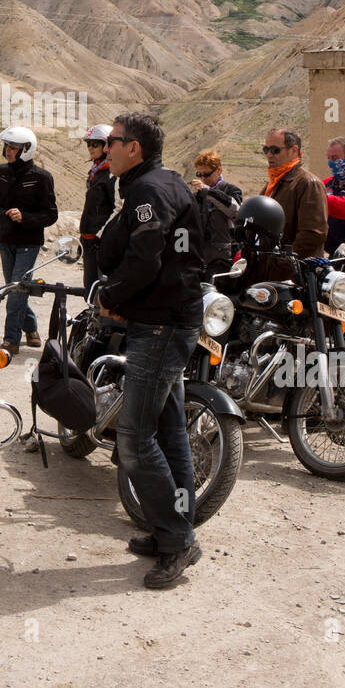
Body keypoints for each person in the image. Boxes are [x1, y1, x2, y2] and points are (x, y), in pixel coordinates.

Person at [96, 113, 205, 590]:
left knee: (136, 441)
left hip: (160, 327)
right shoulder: (166, 183)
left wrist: (110, 295)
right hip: (169, 320)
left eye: (113, 142)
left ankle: (177, 540)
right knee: (170, 432)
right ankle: (174, 531)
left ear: (134, 148)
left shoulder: (148, 191)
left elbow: (145, 258)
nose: (107, 148)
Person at [0, 126, 58, 354]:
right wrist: (1, 215)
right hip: (5, 240)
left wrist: (24, 217)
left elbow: (51, 214)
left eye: (13, 147)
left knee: (16, 291)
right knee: (16, 288)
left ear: (26, 149)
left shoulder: (42, 178)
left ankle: (11, 341)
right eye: (6, 146)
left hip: (29, 243)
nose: (8, 150)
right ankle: (31, 328)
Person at [260, 127, 327, 257]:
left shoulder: (309, 183)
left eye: (275, 150)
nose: (269, 155)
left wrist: (284, 261)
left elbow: (313, 234)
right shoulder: (272, 184)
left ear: (294, 150)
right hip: (269, 267)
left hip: (294, 272)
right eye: (266, 150)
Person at [190, 148, 242, 277]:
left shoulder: (231, 190)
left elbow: (235, 211)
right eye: (199, 175)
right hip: (202, 258)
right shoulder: (198, 196)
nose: (203, 178)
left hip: (224, 258)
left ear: (219, 169)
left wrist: (208, 191)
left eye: (206, 174)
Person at [79, 124, 115, 295]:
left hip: (102, 242)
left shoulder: (111, 174)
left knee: (102, 288)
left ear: (106, 146)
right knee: (90, 287)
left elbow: (118, 208)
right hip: (89, 240)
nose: (90, 148)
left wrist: (100, 234)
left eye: (95, 144)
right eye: (89, 144)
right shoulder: (96, 172)